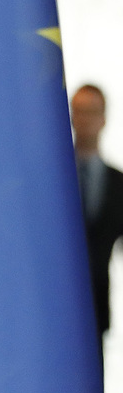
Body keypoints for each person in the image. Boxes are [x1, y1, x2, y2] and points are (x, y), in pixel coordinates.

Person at [71, 83, 123, 337]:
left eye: (92, 111)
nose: (85, 120)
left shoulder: (118, 183)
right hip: (52, 305)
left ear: (103, 118)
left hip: (96, 310)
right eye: (79, 111)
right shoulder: (52, 181)